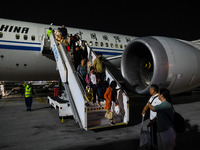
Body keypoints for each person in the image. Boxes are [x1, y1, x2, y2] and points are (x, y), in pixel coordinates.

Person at [142, 84, 161, 149]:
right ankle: (154, 145)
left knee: (157, 134)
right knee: (153, 134)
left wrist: (153, 120)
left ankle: (157, 146)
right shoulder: (151, 97)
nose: (149, 90)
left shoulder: (159, 98)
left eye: (150, 89)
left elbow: (158, 110)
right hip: (152, 120)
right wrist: (144, 110)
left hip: (156, 120)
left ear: (153, 90)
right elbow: (147, 105)